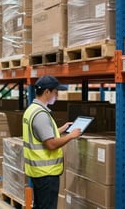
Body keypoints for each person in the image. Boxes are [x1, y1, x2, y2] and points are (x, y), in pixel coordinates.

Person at [22, 75, 81, 209]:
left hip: (38, 171)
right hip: (46, 173)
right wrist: (71, 136)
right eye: (55, 92)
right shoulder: (41, 115)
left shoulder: (31, 110)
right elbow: (50, 144)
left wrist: (62, 129)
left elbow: (40, 135)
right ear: (47, 92)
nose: (57, 96)